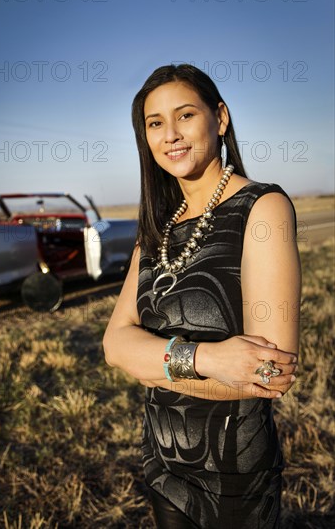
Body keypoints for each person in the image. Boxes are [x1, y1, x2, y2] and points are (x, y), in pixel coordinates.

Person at [103, 64, 301, 529]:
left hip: (233, 474)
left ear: (221, 118)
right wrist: (209, 360)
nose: (170, 134)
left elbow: (271, 373)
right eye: (155, 123)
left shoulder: (261, 208)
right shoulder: (156, 228)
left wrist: (149, 361)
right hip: (162, 463)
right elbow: (114, 345)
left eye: (185, 115)